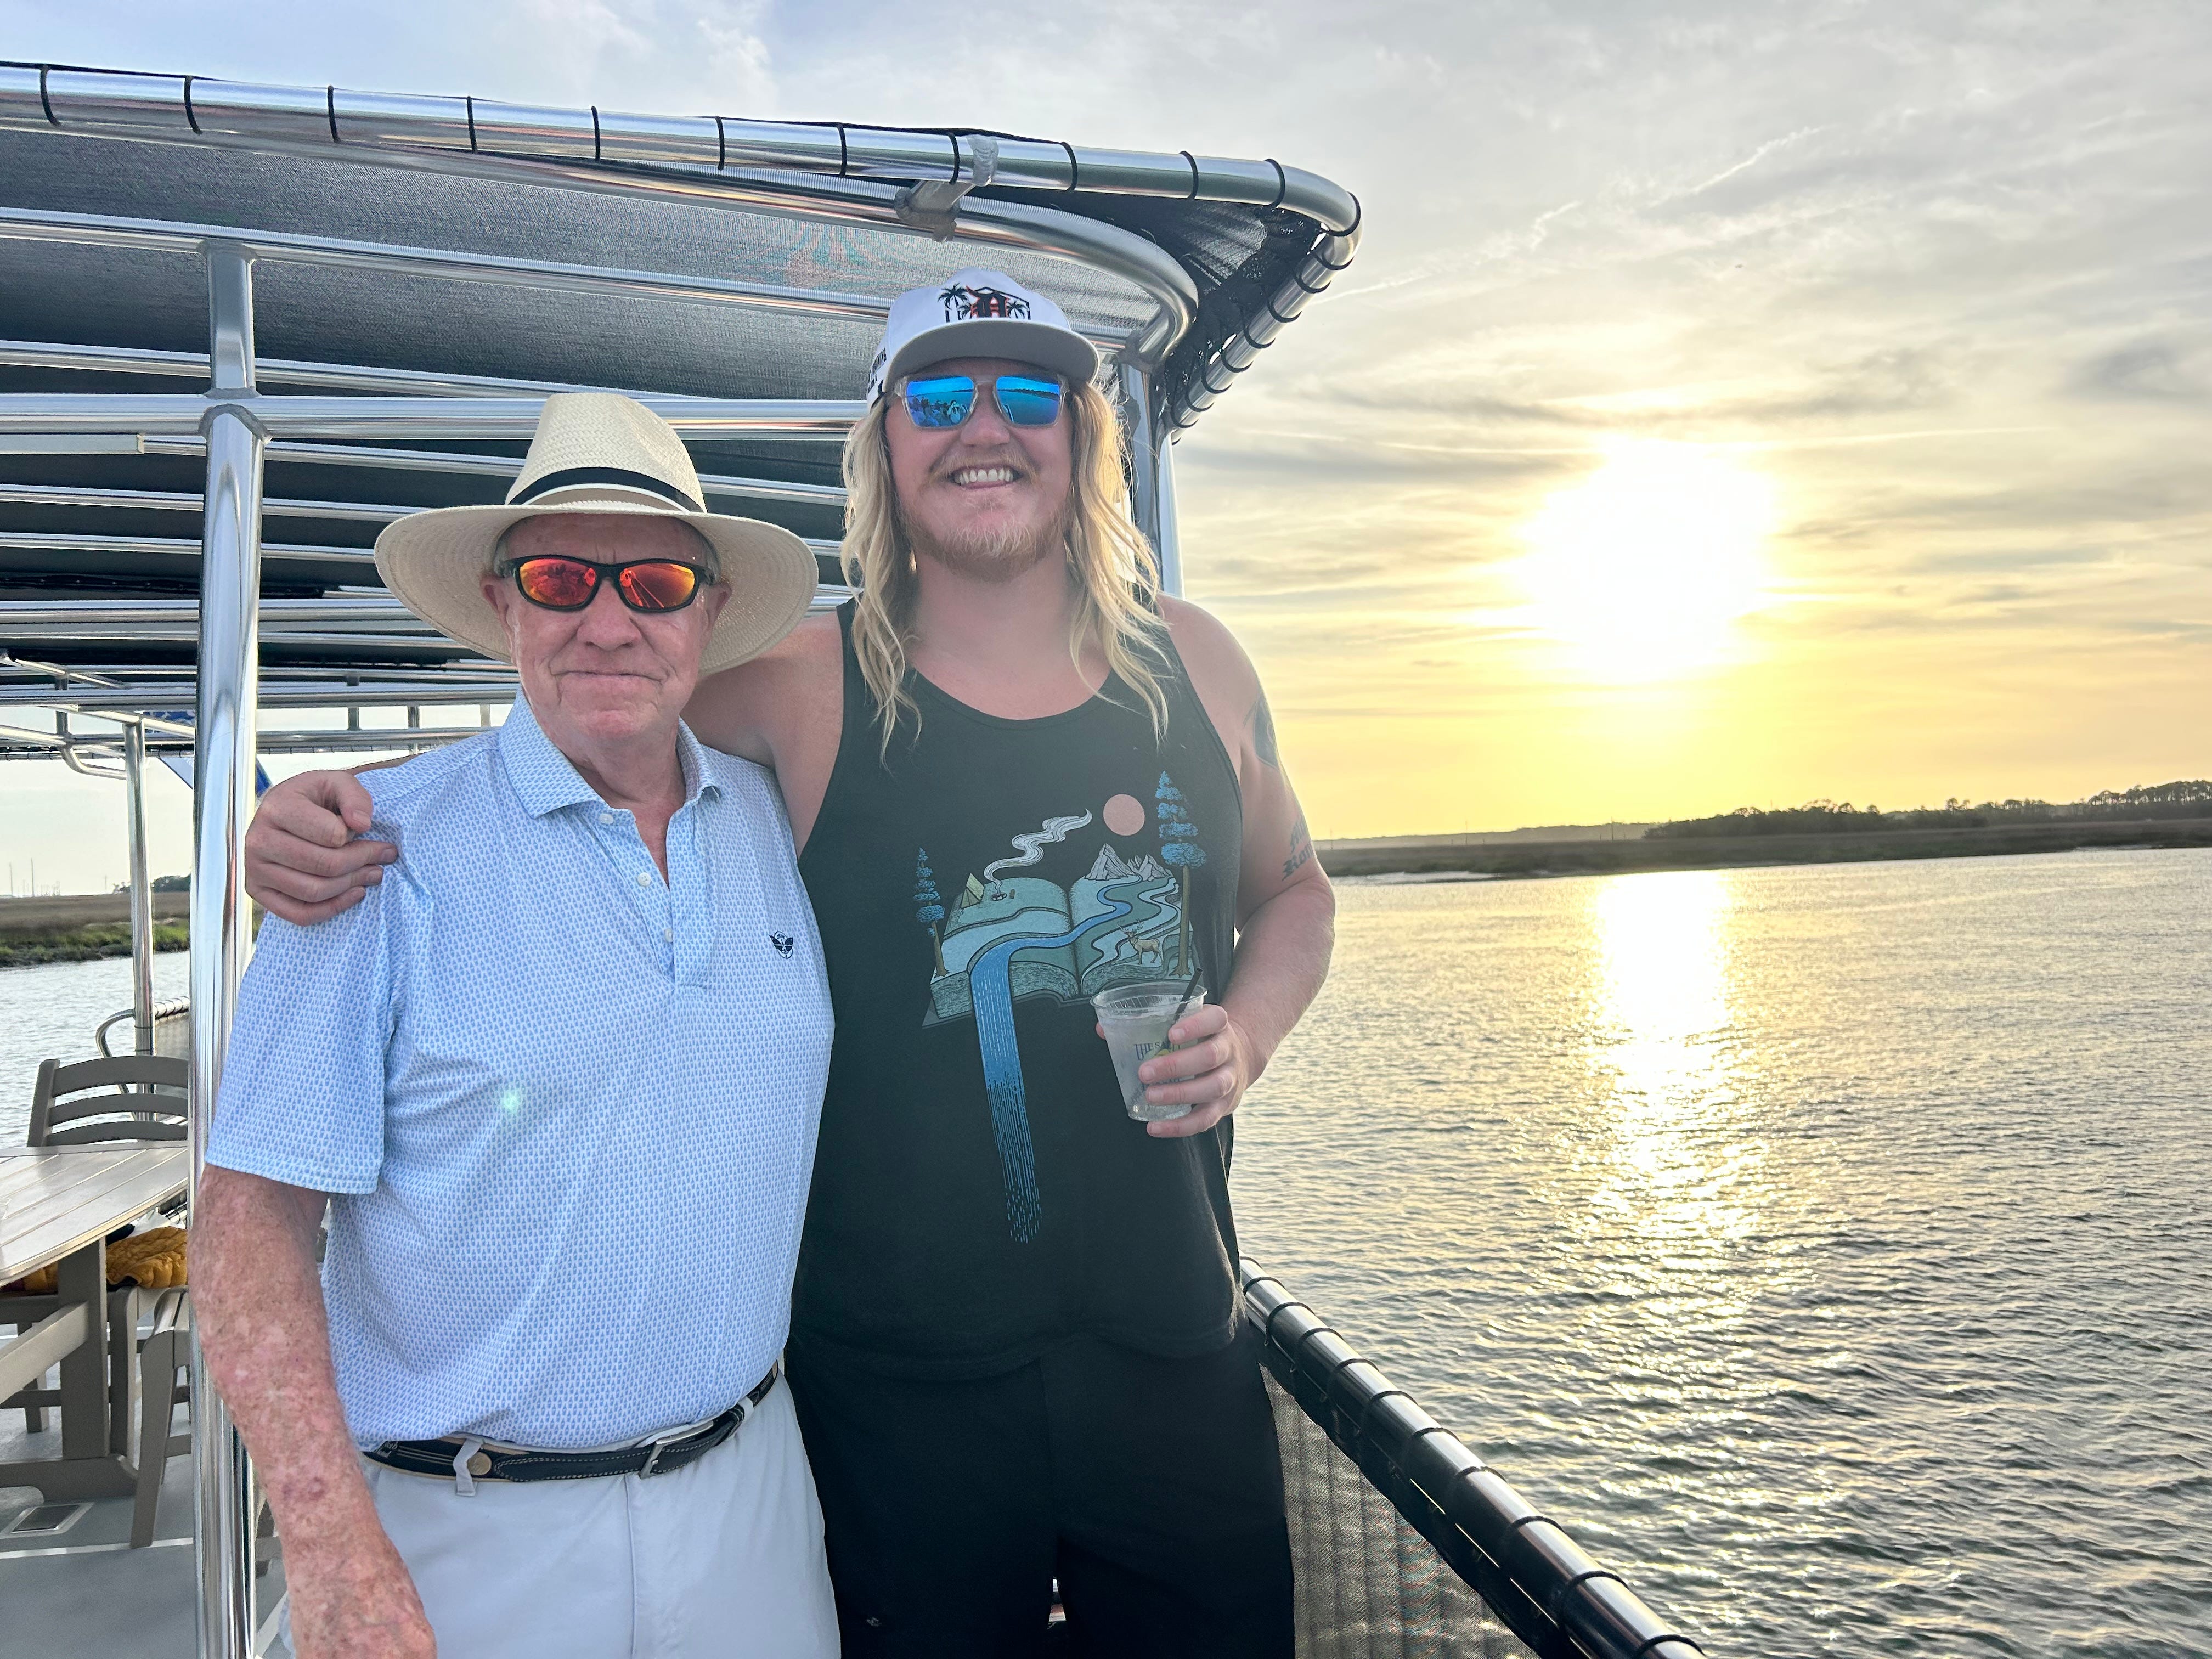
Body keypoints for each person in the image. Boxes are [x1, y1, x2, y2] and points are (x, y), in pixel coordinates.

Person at [245, 269, 1336, 1657]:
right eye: (936, 398)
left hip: (1179, 1354)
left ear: (1084, 434)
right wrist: (322, 820)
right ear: (886, 444)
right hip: (895, 1403)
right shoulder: (806, 686)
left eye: (1028, 393)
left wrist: (1250, 1032)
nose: (983, 427)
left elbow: (1298, 892)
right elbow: (591, 701)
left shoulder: (1201, 665)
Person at [195, 393, 839, 1659]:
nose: (608, 621)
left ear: (710, 614)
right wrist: (328, 1548)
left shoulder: (784, 823)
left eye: (656, 583)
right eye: (559, 579)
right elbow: (250, 1223)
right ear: (505, 604)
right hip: (465, 1534)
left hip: (757, 1511)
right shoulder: (370, 851)